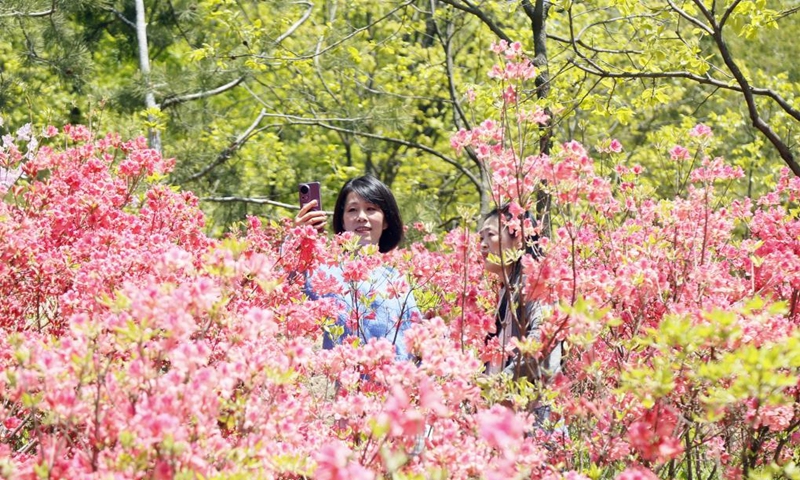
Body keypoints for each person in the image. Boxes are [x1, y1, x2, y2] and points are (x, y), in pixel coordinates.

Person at [295, 175, 418, 361]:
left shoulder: (398, 282)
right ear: (342, 221)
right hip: (343, 385)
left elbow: (413, 346)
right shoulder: (322, 272)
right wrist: (296, 240)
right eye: (353, 210)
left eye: (371, 209)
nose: (361, 217)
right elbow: (281, 288)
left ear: (385, 221)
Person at [478, 204, 562, 423]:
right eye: (481, 238)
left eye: (491, 235)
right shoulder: (508, 288)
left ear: (519, 240)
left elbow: (544, 335)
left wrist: (502, 382)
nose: (483, 245)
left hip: (532, 413)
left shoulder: (533, 282)